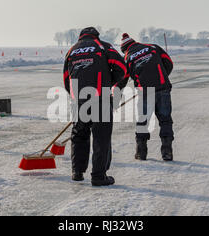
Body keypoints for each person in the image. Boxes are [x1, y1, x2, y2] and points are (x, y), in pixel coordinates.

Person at [63, 27, 127, 186]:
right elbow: (123, 69)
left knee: (79, 135)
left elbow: (66, 78)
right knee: (101, 137)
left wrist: (75, 95)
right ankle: (98, 176)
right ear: (96, 36)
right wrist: (109, 83)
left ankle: (77, 172)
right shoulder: (102, 46)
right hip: (101, 98)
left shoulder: (72, 50)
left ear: (80, 37)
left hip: (79, 100)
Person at [120, 33, 175, 161]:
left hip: (145, 92)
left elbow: (122, 79)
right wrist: (161, 78)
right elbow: (169, 63)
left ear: (124, 49)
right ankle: (167, 153)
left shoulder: (127, 57)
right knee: (165, 120)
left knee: (143, 122)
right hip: (163, 88)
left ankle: (141, 153)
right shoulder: (153, 47)